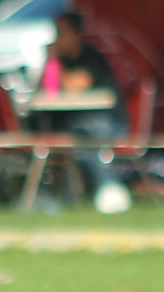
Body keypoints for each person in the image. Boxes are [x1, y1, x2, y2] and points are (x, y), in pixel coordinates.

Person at [38, 11, 131, 213]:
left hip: (108, 124)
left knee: (91, 137)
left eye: (62, 32)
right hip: (75, 125)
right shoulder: (60, 62)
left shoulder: (92, 57)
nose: (58, 39)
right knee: (82, 138)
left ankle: (107, 190)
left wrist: (55, 60)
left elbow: (75, 86)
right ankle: (104, 191)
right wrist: (49, 63)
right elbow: (45, 90)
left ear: (77, 34)